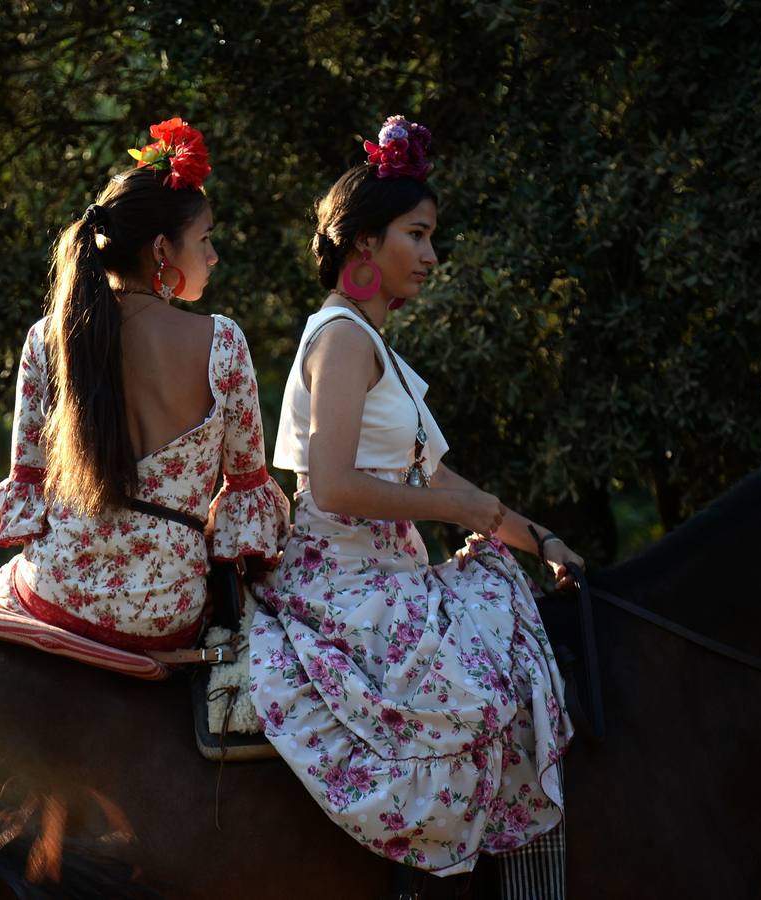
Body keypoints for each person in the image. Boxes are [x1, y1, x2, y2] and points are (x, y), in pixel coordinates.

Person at [248, 116, 582, 886]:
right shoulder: (341, 338)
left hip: (389, 576)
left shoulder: (373, 344)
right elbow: (333, 484)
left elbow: (444, 483)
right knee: (492, 674)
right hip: (343, 585)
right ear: (366, 242)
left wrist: (541, 539)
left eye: (431, 237)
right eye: (418, 235)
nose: (431, 256)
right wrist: (457, 516)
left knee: (512, 630)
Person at [0, 118, 289, 651]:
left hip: (57, 590)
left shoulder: (48, 337)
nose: (213, 256)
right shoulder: (222, 343)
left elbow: (29, 482)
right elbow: (246, 491)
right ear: (162, 249)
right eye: (205, 239)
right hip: (164, 607)